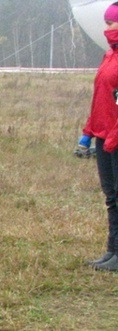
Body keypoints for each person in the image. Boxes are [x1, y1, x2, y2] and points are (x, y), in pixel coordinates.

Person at [83, 1, 118, 271]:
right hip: (103, 136)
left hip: (116, 138)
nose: (106, 29)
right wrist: (89, 131)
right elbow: (101, 98)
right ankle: (112, 250)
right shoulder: (109, 55)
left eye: (110, 23)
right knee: (111, 195)